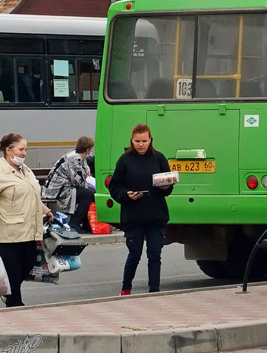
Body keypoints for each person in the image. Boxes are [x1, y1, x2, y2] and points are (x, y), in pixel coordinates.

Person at [110, 123, 173, 295]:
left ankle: (154, 290)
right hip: (133, 216)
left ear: (150, 140)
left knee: (154, 255)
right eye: (137, 141)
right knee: (134, 254)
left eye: (144, 141)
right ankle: (126, 288)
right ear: (132, 140)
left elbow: (168, 187)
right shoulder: (125, 160)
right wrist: (126, 195)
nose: (141, 144)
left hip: (155, 215)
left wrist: (166, 187)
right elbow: (115, 186)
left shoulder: (159, 158)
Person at [0, 132, 53, 307]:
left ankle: (11, 296)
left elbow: (33, 196)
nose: (24, 153)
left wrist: (46, 211)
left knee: (28, 264)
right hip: (8, 233)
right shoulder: (1, 171)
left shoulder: (26, 170)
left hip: (30, 230)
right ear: (8, 150)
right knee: (12, 272)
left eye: (26, 150)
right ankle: (15, 304)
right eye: (21, 149)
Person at [43, 136, 96, 233]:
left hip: (61, 187)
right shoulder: (75, 160)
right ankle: (75, 224)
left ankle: (84, 223)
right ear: (88, 149)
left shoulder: (76, 156)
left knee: (90, 193)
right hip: (57, 189)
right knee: (89, 194)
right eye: (91, 148)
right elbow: (78, 182)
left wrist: (86, 169)